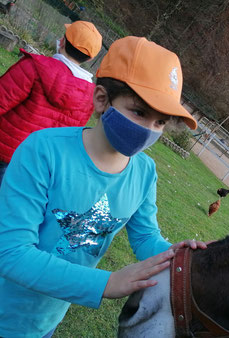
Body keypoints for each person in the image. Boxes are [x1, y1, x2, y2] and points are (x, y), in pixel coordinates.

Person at [0, 36, 204, 337]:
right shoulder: (42, 151)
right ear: (101, 100)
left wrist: (179, 256)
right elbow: (12, 253)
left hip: (45, 321)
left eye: (160, 122)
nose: (148, 130)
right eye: (139, 112)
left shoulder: (145, 172)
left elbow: (146, 237)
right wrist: (106, 284)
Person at [0, 20, 103, 184]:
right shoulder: (90, 96)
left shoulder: (34, 66)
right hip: (36, 168)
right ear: (90, 58)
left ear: (62, 41)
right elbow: (70, 138)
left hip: (5, 152)